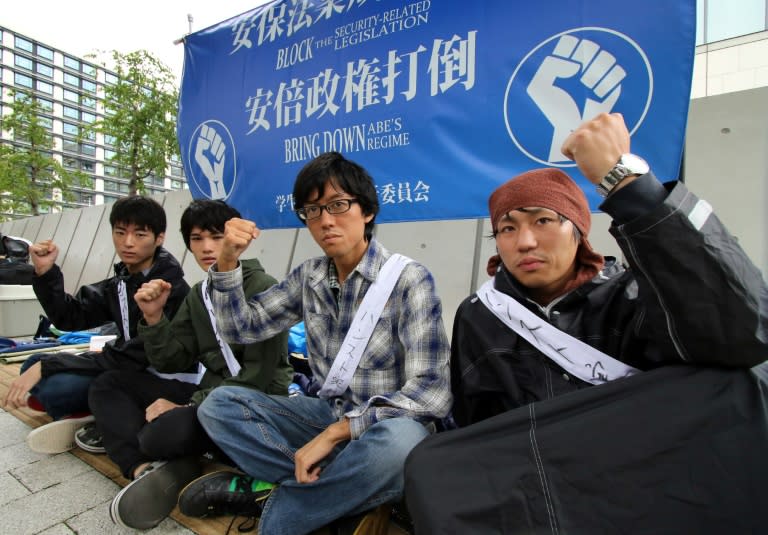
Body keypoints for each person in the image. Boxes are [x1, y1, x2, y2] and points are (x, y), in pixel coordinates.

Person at [404, 113, 768, 533]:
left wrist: (630, 186)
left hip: (639, 474)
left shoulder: (631, 294)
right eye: (507, 228)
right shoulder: (478, 313)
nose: (524, 242)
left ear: (578, 230)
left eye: (543, 220)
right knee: (431, 465)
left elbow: (741, 333)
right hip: (541, 487)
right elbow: (481, 427)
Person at [176, 152, 452, 535]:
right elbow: (242, 328)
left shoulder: (409, 280)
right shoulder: (310, 277)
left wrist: (337, 433)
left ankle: (279, 507)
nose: (325, 220)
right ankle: (344, 494)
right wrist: (226, 264)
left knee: (402, 443)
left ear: (367, 211)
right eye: (312, 210)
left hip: (385, 427)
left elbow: (431, 395)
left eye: (338, 205)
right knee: (218, 405)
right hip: (327, 415)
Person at [84, 199, 293, 530]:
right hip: (208, 393)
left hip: (253, 403)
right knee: (110, 382)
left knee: (159, 435)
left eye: (216, 236)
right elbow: (172, 359)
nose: (207, 247)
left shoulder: (262, 287)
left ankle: (172, 453)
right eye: (196, 239)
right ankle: (141, 469)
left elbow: (258, 378)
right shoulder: (200, 294)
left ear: (235, 237)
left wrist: (186, 403)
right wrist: (153, 318)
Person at [2, 195, 189, 454]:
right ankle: (91, 409)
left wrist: (53, 364)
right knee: (31, 364)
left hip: (152, 377)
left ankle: (97, 411)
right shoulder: (121, 280)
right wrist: (46, 273)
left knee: (55, 387)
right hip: (122, 366)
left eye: (140, 235)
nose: (128, 242)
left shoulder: (169, 288)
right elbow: (70, 317)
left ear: (159, 238)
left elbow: (136, 356)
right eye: (120, 232)